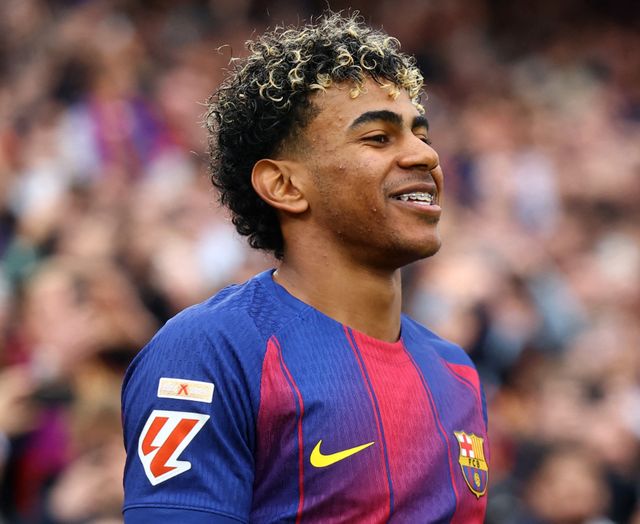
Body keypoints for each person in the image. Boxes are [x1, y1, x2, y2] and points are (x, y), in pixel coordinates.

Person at [121, 12, 488, 523]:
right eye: (378, 138)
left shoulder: (458, 373)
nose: (424, 155)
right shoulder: (210, 351)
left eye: (421, 134)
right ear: (285, 186)